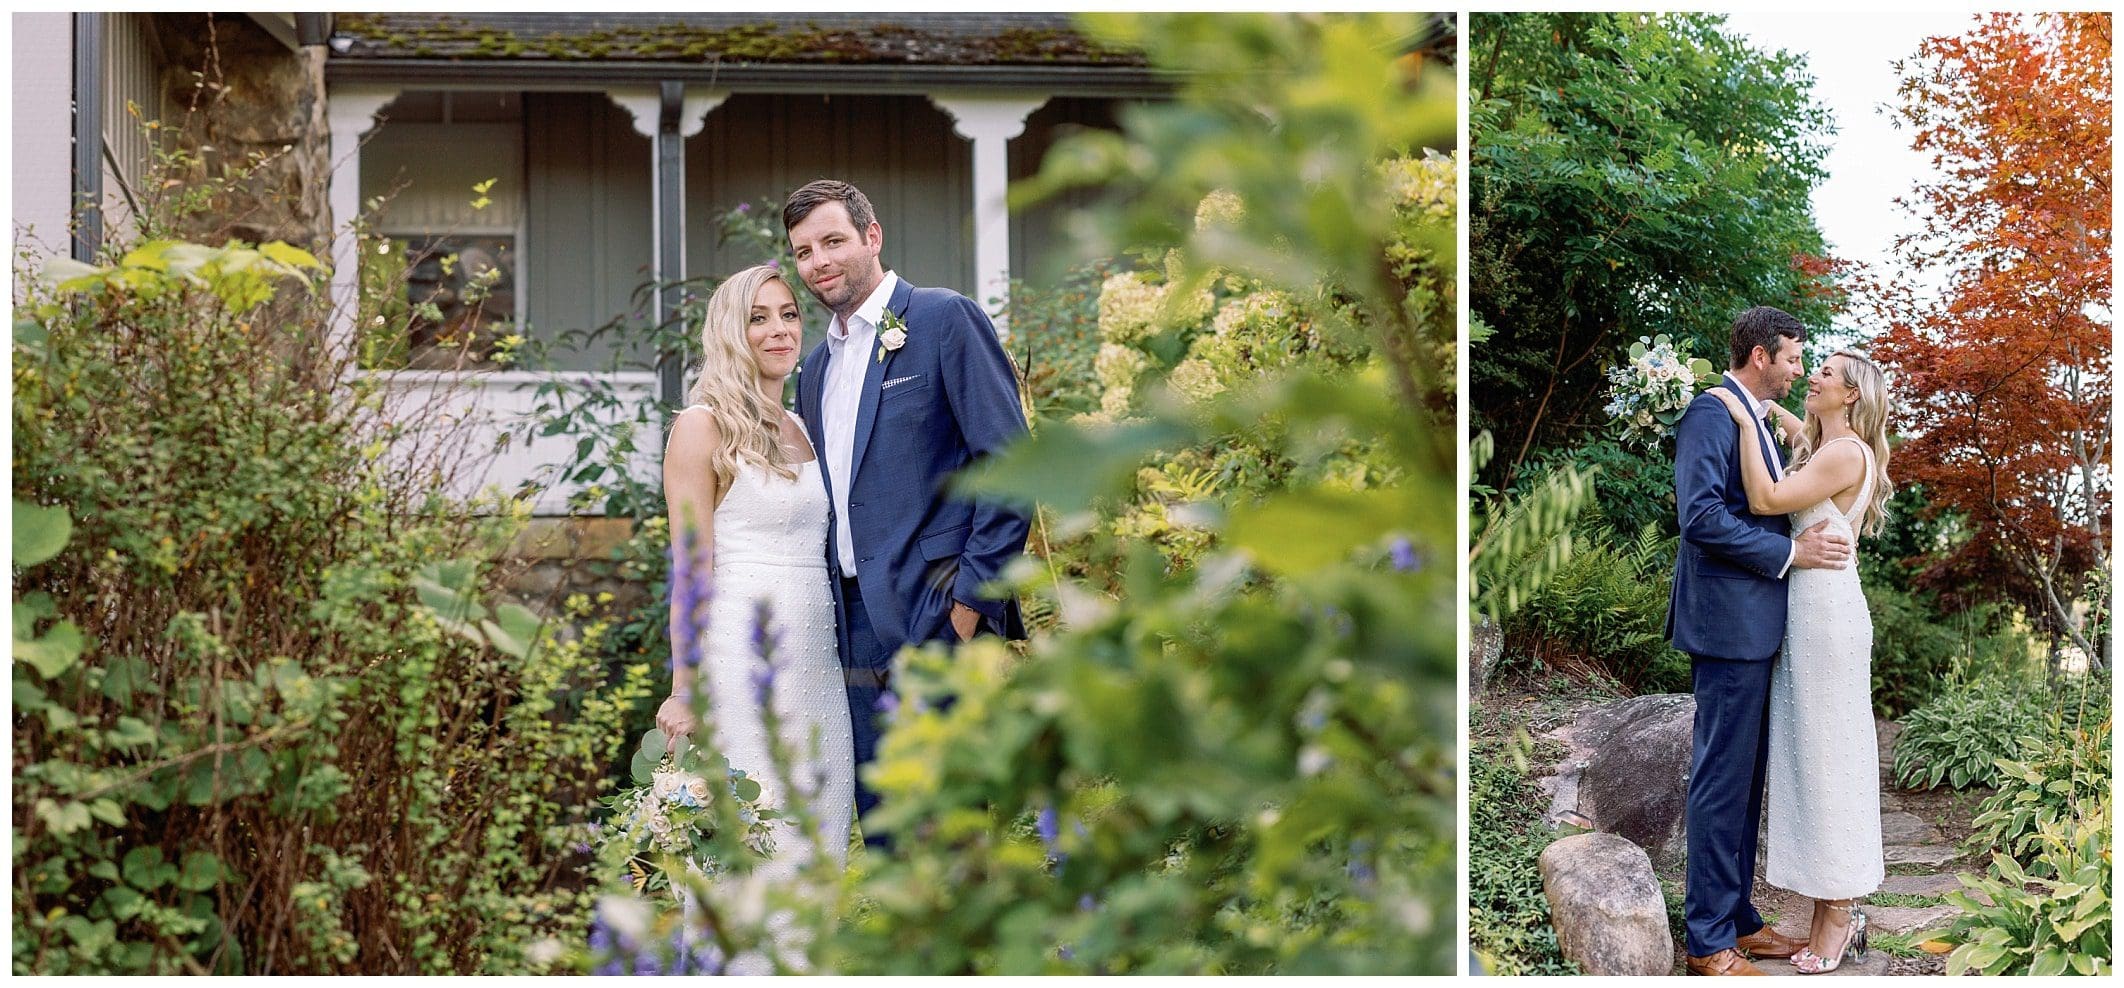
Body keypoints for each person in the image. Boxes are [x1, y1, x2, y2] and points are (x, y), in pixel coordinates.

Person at [782, 179, 1032, 846]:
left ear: (872, 236)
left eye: (833, 241)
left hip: (937, 612)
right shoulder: (813, 371)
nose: (819, 263)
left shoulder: (943, 320)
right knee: (887, 826)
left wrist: (967, 610)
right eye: (804, 253)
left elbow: (1010, 470)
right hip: (853, 622)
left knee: (947, 831)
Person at [655, 263, 855, 972]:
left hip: (818, 665)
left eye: (788, 315)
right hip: (741, 664)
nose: (778, 330)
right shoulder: (700, 425)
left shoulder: (801, 421)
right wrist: (684, 688)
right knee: (749, 851)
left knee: (814, 849)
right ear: (729, 333)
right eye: (758, 318)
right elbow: (691, 564)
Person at [1665, 306, 1854, 977]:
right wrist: (1791, 554)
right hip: (1727, 625)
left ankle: (1738, 920)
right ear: (1760, 356)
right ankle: (1708, 942)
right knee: (1722, 783)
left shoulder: (1753, 416)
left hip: (1758, 627)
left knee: (1744, 785)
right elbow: (1702, 518)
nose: (1801, 369)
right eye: (1796, 358)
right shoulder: (1713, 413)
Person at [1705, 349, 1892, 974]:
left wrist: (1737, 413)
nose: (1814, 375)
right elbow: (1798, 434)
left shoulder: (1842, 454)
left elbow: (1767, 498)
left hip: (1826, 621)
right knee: (1813, 762)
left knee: (1831, 761)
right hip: (1808, 616)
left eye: (1828, 374)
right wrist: (1772, 411)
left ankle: (1841, 913)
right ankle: (1824, 909)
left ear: (1852, 397)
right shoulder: (1832, 445)